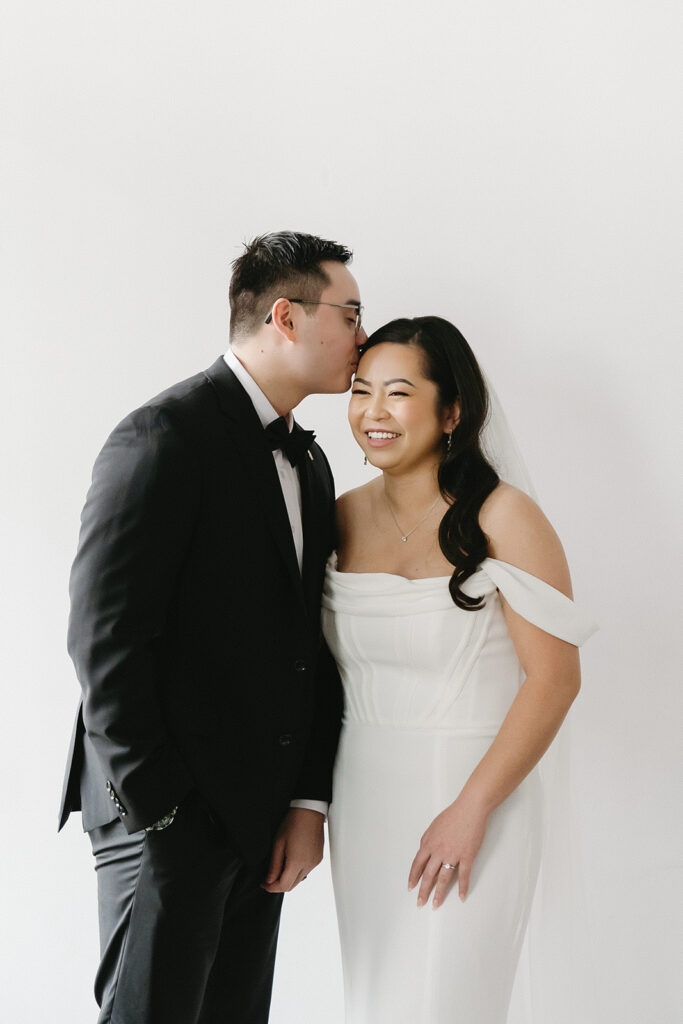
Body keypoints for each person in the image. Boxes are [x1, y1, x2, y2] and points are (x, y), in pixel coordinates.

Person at [57, 230, 365, 1024]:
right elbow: (105, 638)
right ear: (287, 318)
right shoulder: (162, 437)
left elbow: (309, 645)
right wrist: (164, 813)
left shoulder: (313, 460)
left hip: (257, 818)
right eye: (352, 313)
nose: (363, 337)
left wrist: (305, 801)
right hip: (161, 815)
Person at [322, 316, 598, 1023]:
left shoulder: (505, 516)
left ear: (451, 412)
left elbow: (553, 679)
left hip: (475, 795)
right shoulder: (339, 517)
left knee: (446, 1004)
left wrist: (470, 809)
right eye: (360, 391)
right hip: (362, 800)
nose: (372, 413)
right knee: (379, 1002)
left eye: (397, 393)